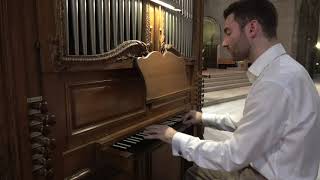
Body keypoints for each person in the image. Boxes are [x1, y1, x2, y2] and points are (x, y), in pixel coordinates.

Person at [143, 0, 320, 179]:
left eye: (228, 32)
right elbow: (252, 124)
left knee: (195, 173)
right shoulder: (288, 69)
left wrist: (174, 137)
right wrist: (203, 117)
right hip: (289, 170)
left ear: (252, 28)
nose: (224, 42)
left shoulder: (274, 82)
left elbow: (231, 156)